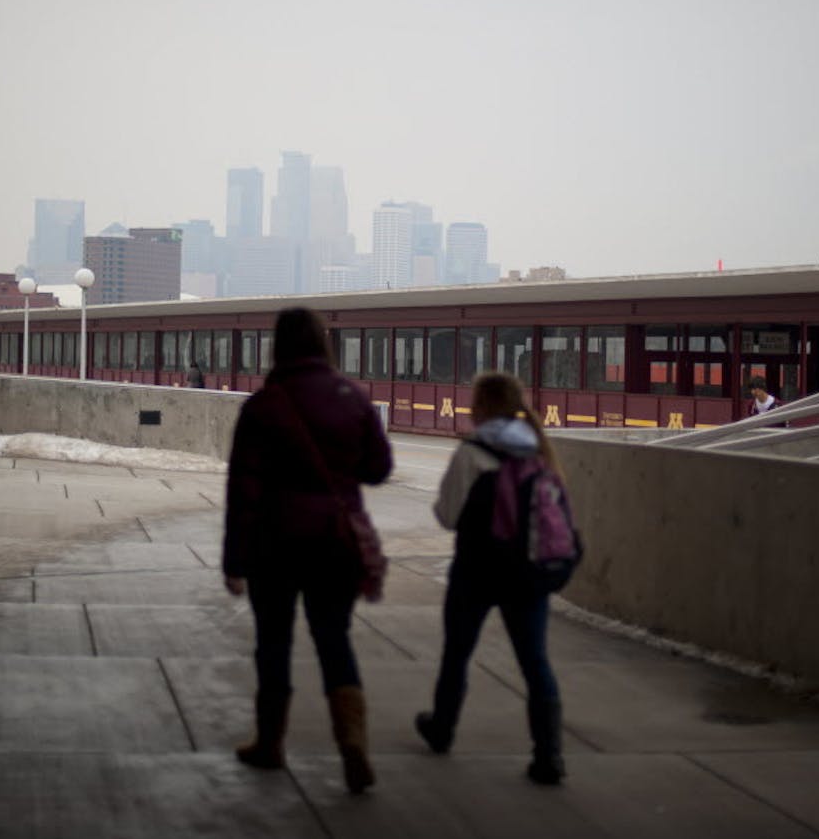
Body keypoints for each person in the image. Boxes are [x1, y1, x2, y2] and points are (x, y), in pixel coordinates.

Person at [223, 307, 393, 793]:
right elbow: (379, 468)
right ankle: (353, 741)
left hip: (273, 545)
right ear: (324, 343)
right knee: (334, 638)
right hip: (334, 544)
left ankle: (270, 743)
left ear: (278, 345)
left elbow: (243, 491)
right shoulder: (351, 398)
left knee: (274, 643)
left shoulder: (264, 405)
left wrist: (234, 562)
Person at [415, 371, 568, 785]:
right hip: (527, 574)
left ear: (481, 406)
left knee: (457, 654)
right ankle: (549, 754)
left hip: (476, 571)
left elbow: (447, 517)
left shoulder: (472, 452)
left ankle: (442, 729)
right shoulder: (538, 449)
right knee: (535, 661)